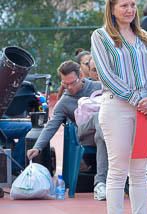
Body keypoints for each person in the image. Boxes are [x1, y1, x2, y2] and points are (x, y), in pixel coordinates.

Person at [91, 0, 147, 214]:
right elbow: (106, 75)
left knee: (140, 170)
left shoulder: (142, 37)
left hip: (146, 110)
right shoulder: (101, 37)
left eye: (132, 5)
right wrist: (135, 99)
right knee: (118, 170)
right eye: (124, 5)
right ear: (112, 8)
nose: (129, 10)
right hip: (118, 108)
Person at [26, 61, 105, 200]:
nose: (68, 87)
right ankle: (101, 182)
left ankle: (102, 184)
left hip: (103, 132)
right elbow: (51, 126)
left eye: (71, 83)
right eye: (65, 84)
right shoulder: (64, 103)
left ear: (80, 75)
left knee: (102, 133)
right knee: (99, 118)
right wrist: (37, 147)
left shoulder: (99, 87)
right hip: (84, 134)